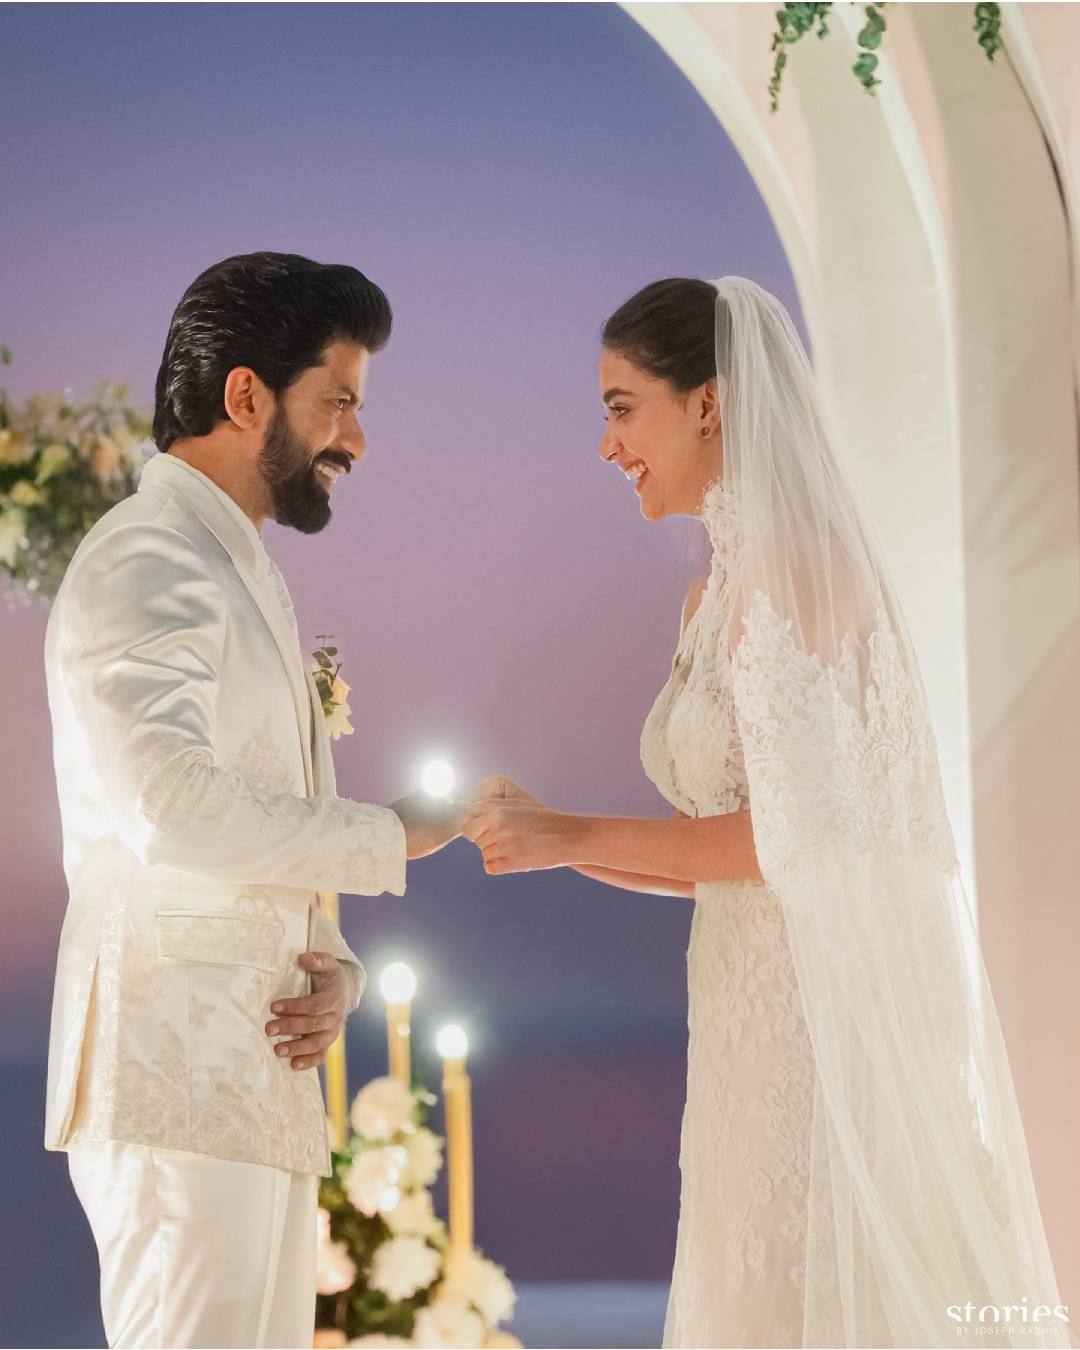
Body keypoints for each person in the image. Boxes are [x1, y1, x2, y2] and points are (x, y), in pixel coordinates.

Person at [463, 277, 1071, 1347]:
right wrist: (553, 842)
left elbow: (799, 838)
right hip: (740, 1010)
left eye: (620, 407)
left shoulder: (797, 578)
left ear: (709, 401)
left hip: (811, 1024)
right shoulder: (710, 593)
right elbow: (727, 857)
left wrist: (567, 835)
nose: (607, 445)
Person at [43, 251, 463, 1349]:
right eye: (339, 403)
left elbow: (252, 809)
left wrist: (329, 962)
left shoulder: (236, 567)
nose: (356, 440)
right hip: (174, 1078)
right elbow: (170, 806)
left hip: (250, 1077)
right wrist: (395, 836)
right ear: (245, 397)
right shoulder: (149, 554)